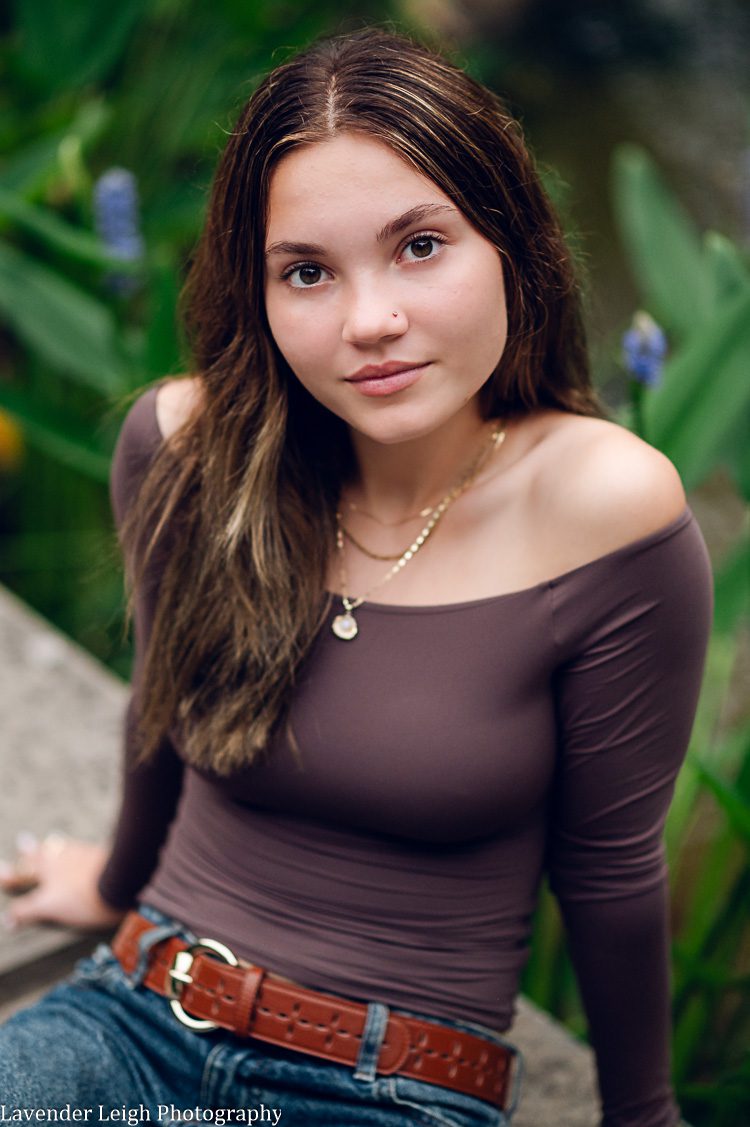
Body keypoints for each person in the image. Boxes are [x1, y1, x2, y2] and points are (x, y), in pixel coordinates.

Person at [0, 25, 712, 1127]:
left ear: (511, 242)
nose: (370, 321)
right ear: (260, 289)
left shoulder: (602, 505)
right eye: (308, 272)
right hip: (134, 1018)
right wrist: (111, 879)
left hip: (396, 1080)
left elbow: (611, 869)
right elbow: (156, 704)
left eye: (420, 246)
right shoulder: (188, 449)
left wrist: (644, 1110)